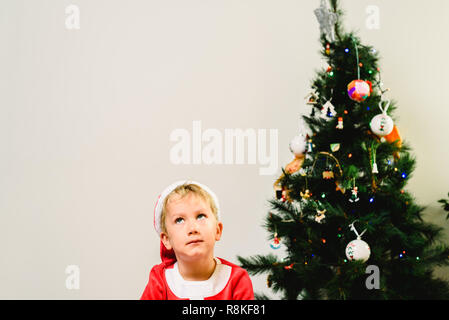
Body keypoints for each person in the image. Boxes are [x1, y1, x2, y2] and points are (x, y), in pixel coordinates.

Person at [140, 180, 254, 300]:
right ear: (166, 239)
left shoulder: (236, 280)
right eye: (179, 220)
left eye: (200, 216)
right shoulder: (160, 280)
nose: (192, 228)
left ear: (217, 230)